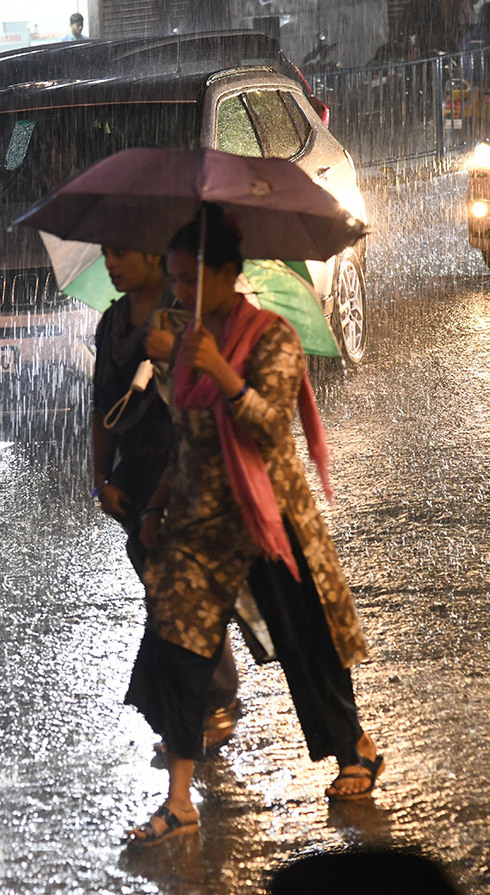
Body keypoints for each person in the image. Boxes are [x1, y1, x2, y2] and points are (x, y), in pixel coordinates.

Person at [123, 205, 383, 848]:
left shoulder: (272, 337)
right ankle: (179, 800)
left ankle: (353, 746)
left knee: (306, 639)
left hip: (270, 514)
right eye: (175, 279)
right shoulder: (182, 339)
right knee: (177, 648)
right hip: (200, 520)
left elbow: (268, 425)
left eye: (191, 279)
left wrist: (219, 370)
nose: (180, 291)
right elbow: (187, 438)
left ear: (228, 275)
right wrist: (155, 506)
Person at [91, 247, 239, 752]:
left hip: (181, 471)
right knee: (161, 588)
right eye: (106, 253)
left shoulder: (184, 321)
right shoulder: (112, 321)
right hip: (133, 472)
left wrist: (172, 350)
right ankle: (190, 709)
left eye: (122, 252)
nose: (110, 263)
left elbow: (205, 402)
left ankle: (211, 704)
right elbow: (101, 403)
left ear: (154, 255)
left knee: (181, 594)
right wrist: (100, 478)